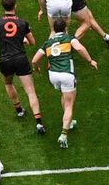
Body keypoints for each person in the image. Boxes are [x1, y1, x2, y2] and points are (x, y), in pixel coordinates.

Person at [0, 0, 44, 133]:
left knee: (8, 83)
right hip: (20, 59)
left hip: (5, 60)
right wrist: (23, 40)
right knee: (30, 91)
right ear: (15, 6)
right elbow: (32, 42)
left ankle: (19, 110)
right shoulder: (23, 23)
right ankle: (39, 123)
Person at [31, 19, 98, 148]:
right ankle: (64, 134)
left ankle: (69, 122)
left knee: (64, 95)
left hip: (53, 75)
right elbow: (79, 48)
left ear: (54, 30)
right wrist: (90, 61)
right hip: (66, 73)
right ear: (65, 28)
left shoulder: (47, 43)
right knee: (69, 104)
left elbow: (34, 60)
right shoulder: (69, 38)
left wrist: (36, 68)